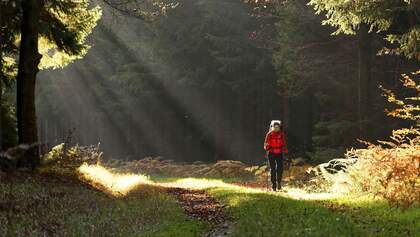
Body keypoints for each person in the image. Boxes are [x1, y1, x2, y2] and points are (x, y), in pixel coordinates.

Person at [263, 121, 288, 191]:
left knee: (280, 169)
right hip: (271, 153)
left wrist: (285, 149)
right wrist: (266, 147)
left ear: (279, 127)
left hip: (279, 153)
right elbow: (265, 143)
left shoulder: (281, 134)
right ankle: (273, 185)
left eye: (278, 127)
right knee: (273, 169)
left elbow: (284, 143)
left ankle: (279, 183)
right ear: (272, 127)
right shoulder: (269, 134)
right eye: (275, 127)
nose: (276, 128)